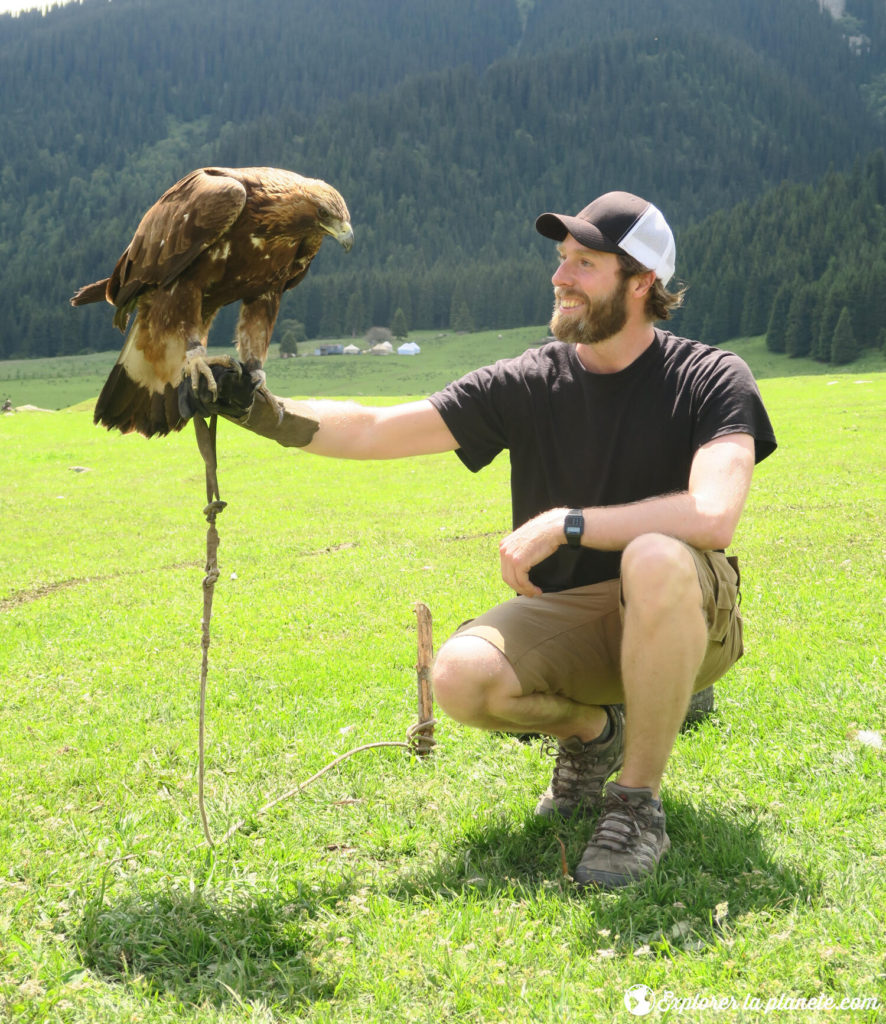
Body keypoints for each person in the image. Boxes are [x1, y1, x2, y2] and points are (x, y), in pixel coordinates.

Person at [186, 191, 777, 889]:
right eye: (561, 259)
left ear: (641, 281)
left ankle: (637, 805)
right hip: (578, 619)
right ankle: (593, 734)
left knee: (653, 554)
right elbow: (378, 429)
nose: (560, 277)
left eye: (585, 263)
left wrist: (566, 522)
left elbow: (713, 516)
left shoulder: (710, 377)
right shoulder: (530, 381)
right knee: (462, 679)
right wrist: (263, 412)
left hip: (691, 618)